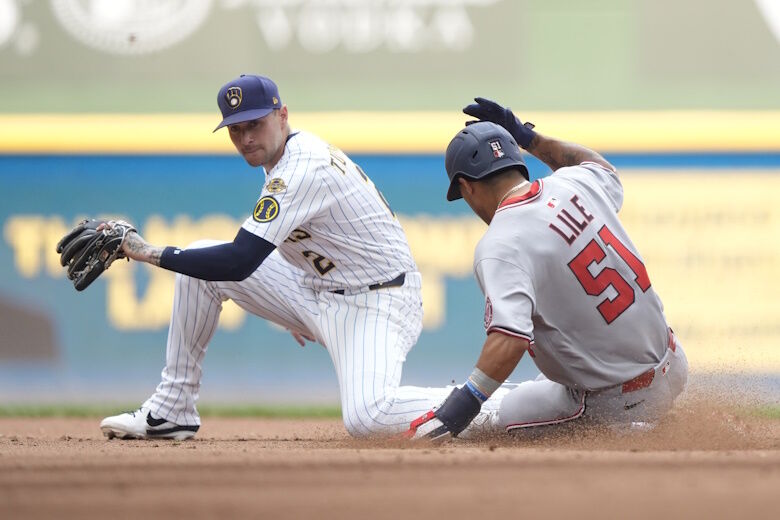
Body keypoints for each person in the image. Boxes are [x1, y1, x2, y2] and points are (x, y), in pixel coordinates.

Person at [98, 75, 508, 440]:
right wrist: (290, 304)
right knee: (201, 259)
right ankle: (172, 410)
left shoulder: (303, 167)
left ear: (282, 115)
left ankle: (506, 403)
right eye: (235, 130)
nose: (245, 139)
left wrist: (143, 251)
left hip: (376, 300)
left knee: (369, 416)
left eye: (254, 125)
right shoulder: (280, 159)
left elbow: (242, 260)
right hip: (318, 285)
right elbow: (284, 243)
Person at [405, 98, 688, 440]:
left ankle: (632, 431)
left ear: (466, 185)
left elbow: (509, 340)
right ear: (518, 163)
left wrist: (460, 409)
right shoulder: (573, 183)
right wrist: (530, 138)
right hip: (674, 364)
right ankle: (651, 419)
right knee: (546, 383)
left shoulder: (500, 243)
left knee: (508, 415)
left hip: (618, 402)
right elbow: (599, 165)